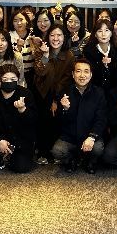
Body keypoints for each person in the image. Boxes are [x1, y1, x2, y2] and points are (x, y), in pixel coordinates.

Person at [52, 59, 107, 173]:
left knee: (98, 148)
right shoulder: (64, 92)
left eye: (86, 71)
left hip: (90, 135)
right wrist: (64, 109)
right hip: (70, 137)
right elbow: (58, 122)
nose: (82, 75)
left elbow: (101, 119)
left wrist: (91, 137)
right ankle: (71, 160)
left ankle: (90, 161)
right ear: (73, 74)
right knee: (57, 151)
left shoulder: (99, 93)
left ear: (91, 75)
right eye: (78, 71)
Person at [0, 64, 37, 173]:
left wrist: (23, 110)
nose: (9, 82)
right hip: (0, 136)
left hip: (20, 139)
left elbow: (33, 120)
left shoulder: (26, 93)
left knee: (21, 167)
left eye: (13, 79)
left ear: (18, 79)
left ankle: (8, 156)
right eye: (5, 79)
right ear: (0, 80)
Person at [33, 23, 75, 164]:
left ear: (64, 37)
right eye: (52, 35)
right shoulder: (40, 51)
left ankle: (55, 152)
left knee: (57, 119)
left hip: (59, 93)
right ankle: (43, 152)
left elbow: (66, 81)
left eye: (59, 35)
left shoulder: (69, 55)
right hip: (41, 92)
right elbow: (40, 72)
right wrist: (45, 56)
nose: (55, 38)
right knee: (42, 120)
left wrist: (55, 99)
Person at [83, 18, 117, 92]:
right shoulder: (88, 51)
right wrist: (102, 65)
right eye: (100, 31)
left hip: (115, 91)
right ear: (95, 34)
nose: (103, 34)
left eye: (107, 30)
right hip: (95, 91)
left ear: (111, 33)